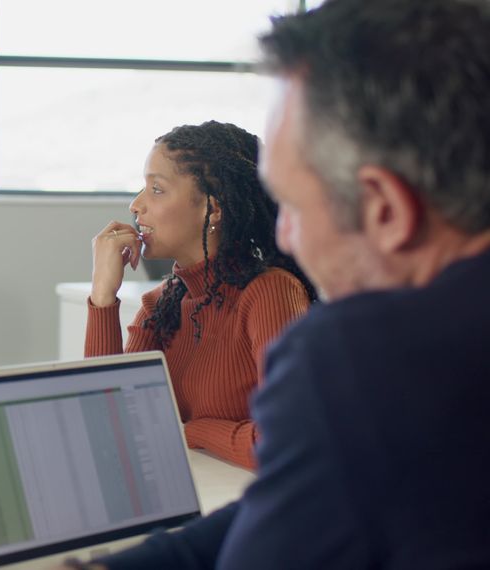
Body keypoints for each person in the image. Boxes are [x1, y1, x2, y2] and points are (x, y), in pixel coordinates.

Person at [65, 0, 490, 568]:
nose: (283, 235)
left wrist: (189, 429)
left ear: (385, 209)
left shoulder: (359, 354)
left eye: (290, 204)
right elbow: (298, 502)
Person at [86, 120, 315, 469]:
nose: (135, 205)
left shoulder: (271, 293)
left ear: (214, 209)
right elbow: (108, 430)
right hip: (191, 494)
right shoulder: (160, 305)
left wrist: (193, 431)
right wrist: (103, 296)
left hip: (252, 506)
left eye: (157, 189)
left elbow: (288, 442)